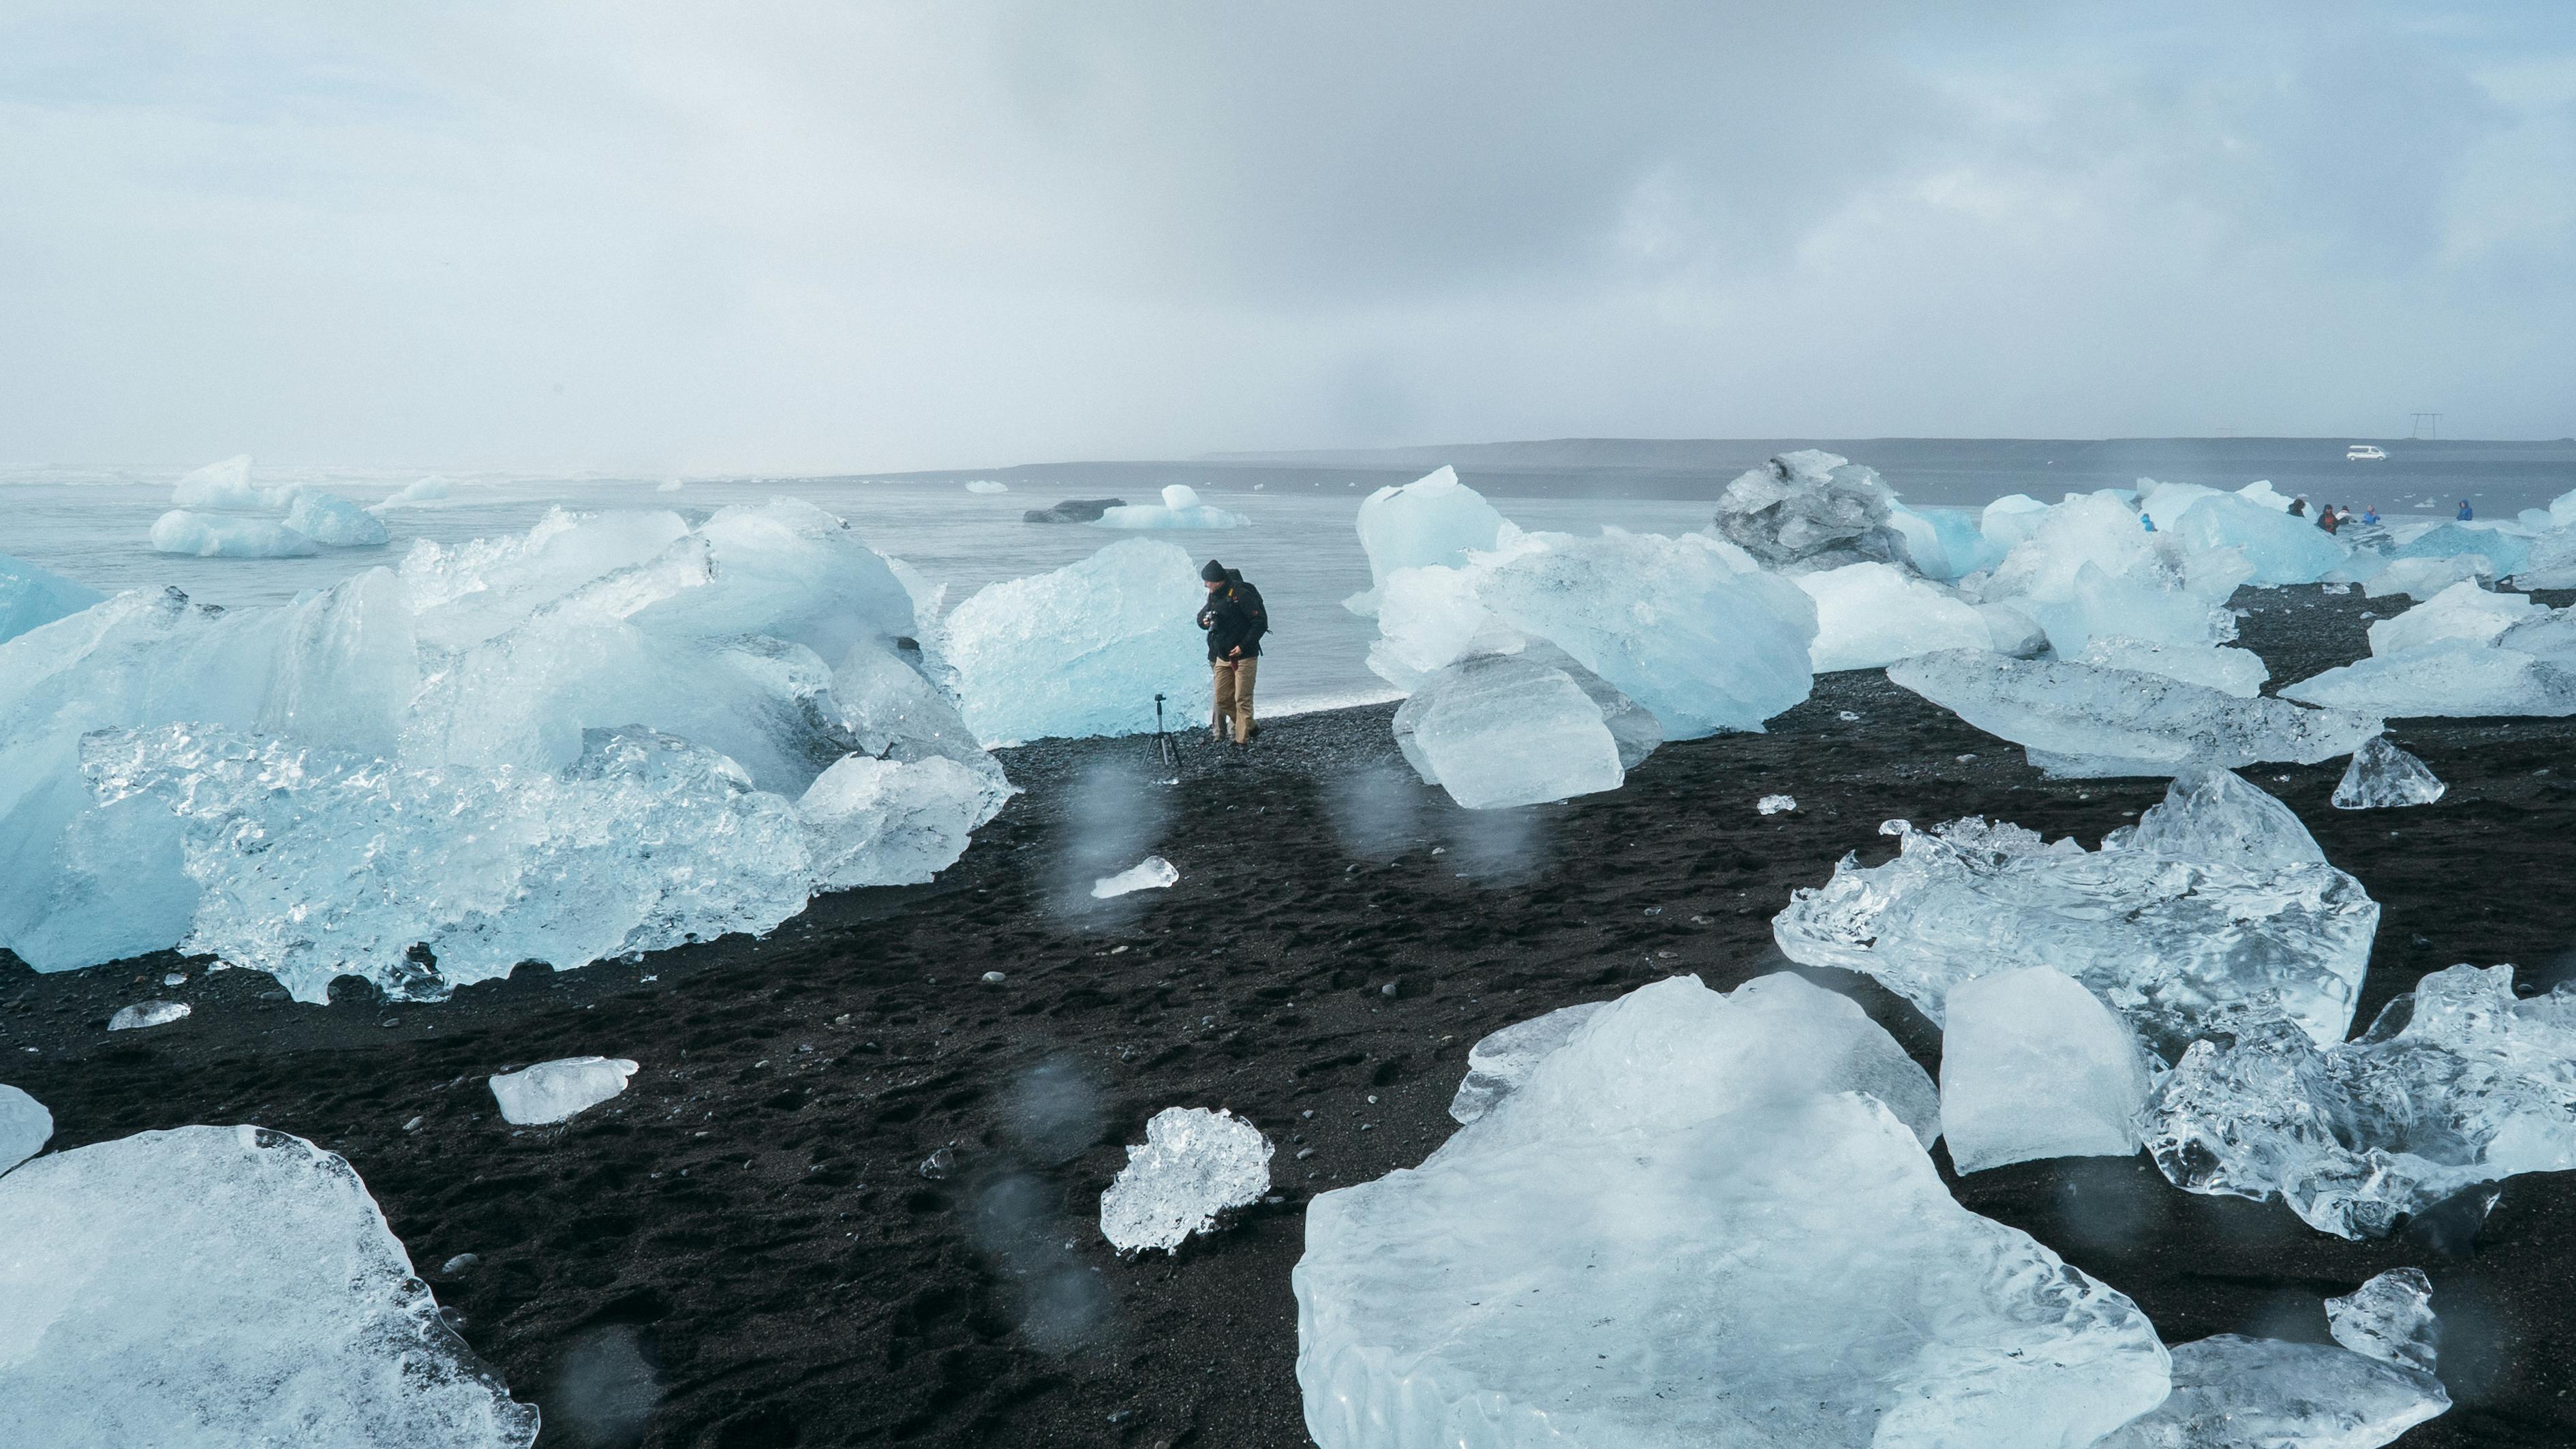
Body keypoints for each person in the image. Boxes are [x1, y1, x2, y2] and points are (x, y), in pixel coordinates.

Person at [1196, 558, 1267, 744]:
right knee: (1223, 699)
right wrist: (1204, 622)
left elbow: (1260, 623)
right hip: (1221, 655)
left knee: (1242, 699)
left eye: (1208, 581)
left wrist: (1243, 646)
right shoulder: (1213, 595)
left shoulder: (1241, 594)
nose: (1206, 585)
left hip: (1245, 655)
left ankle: (1241, 742)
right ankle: (1250, 726)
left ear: (1218, 580)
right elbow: (1203, 616)